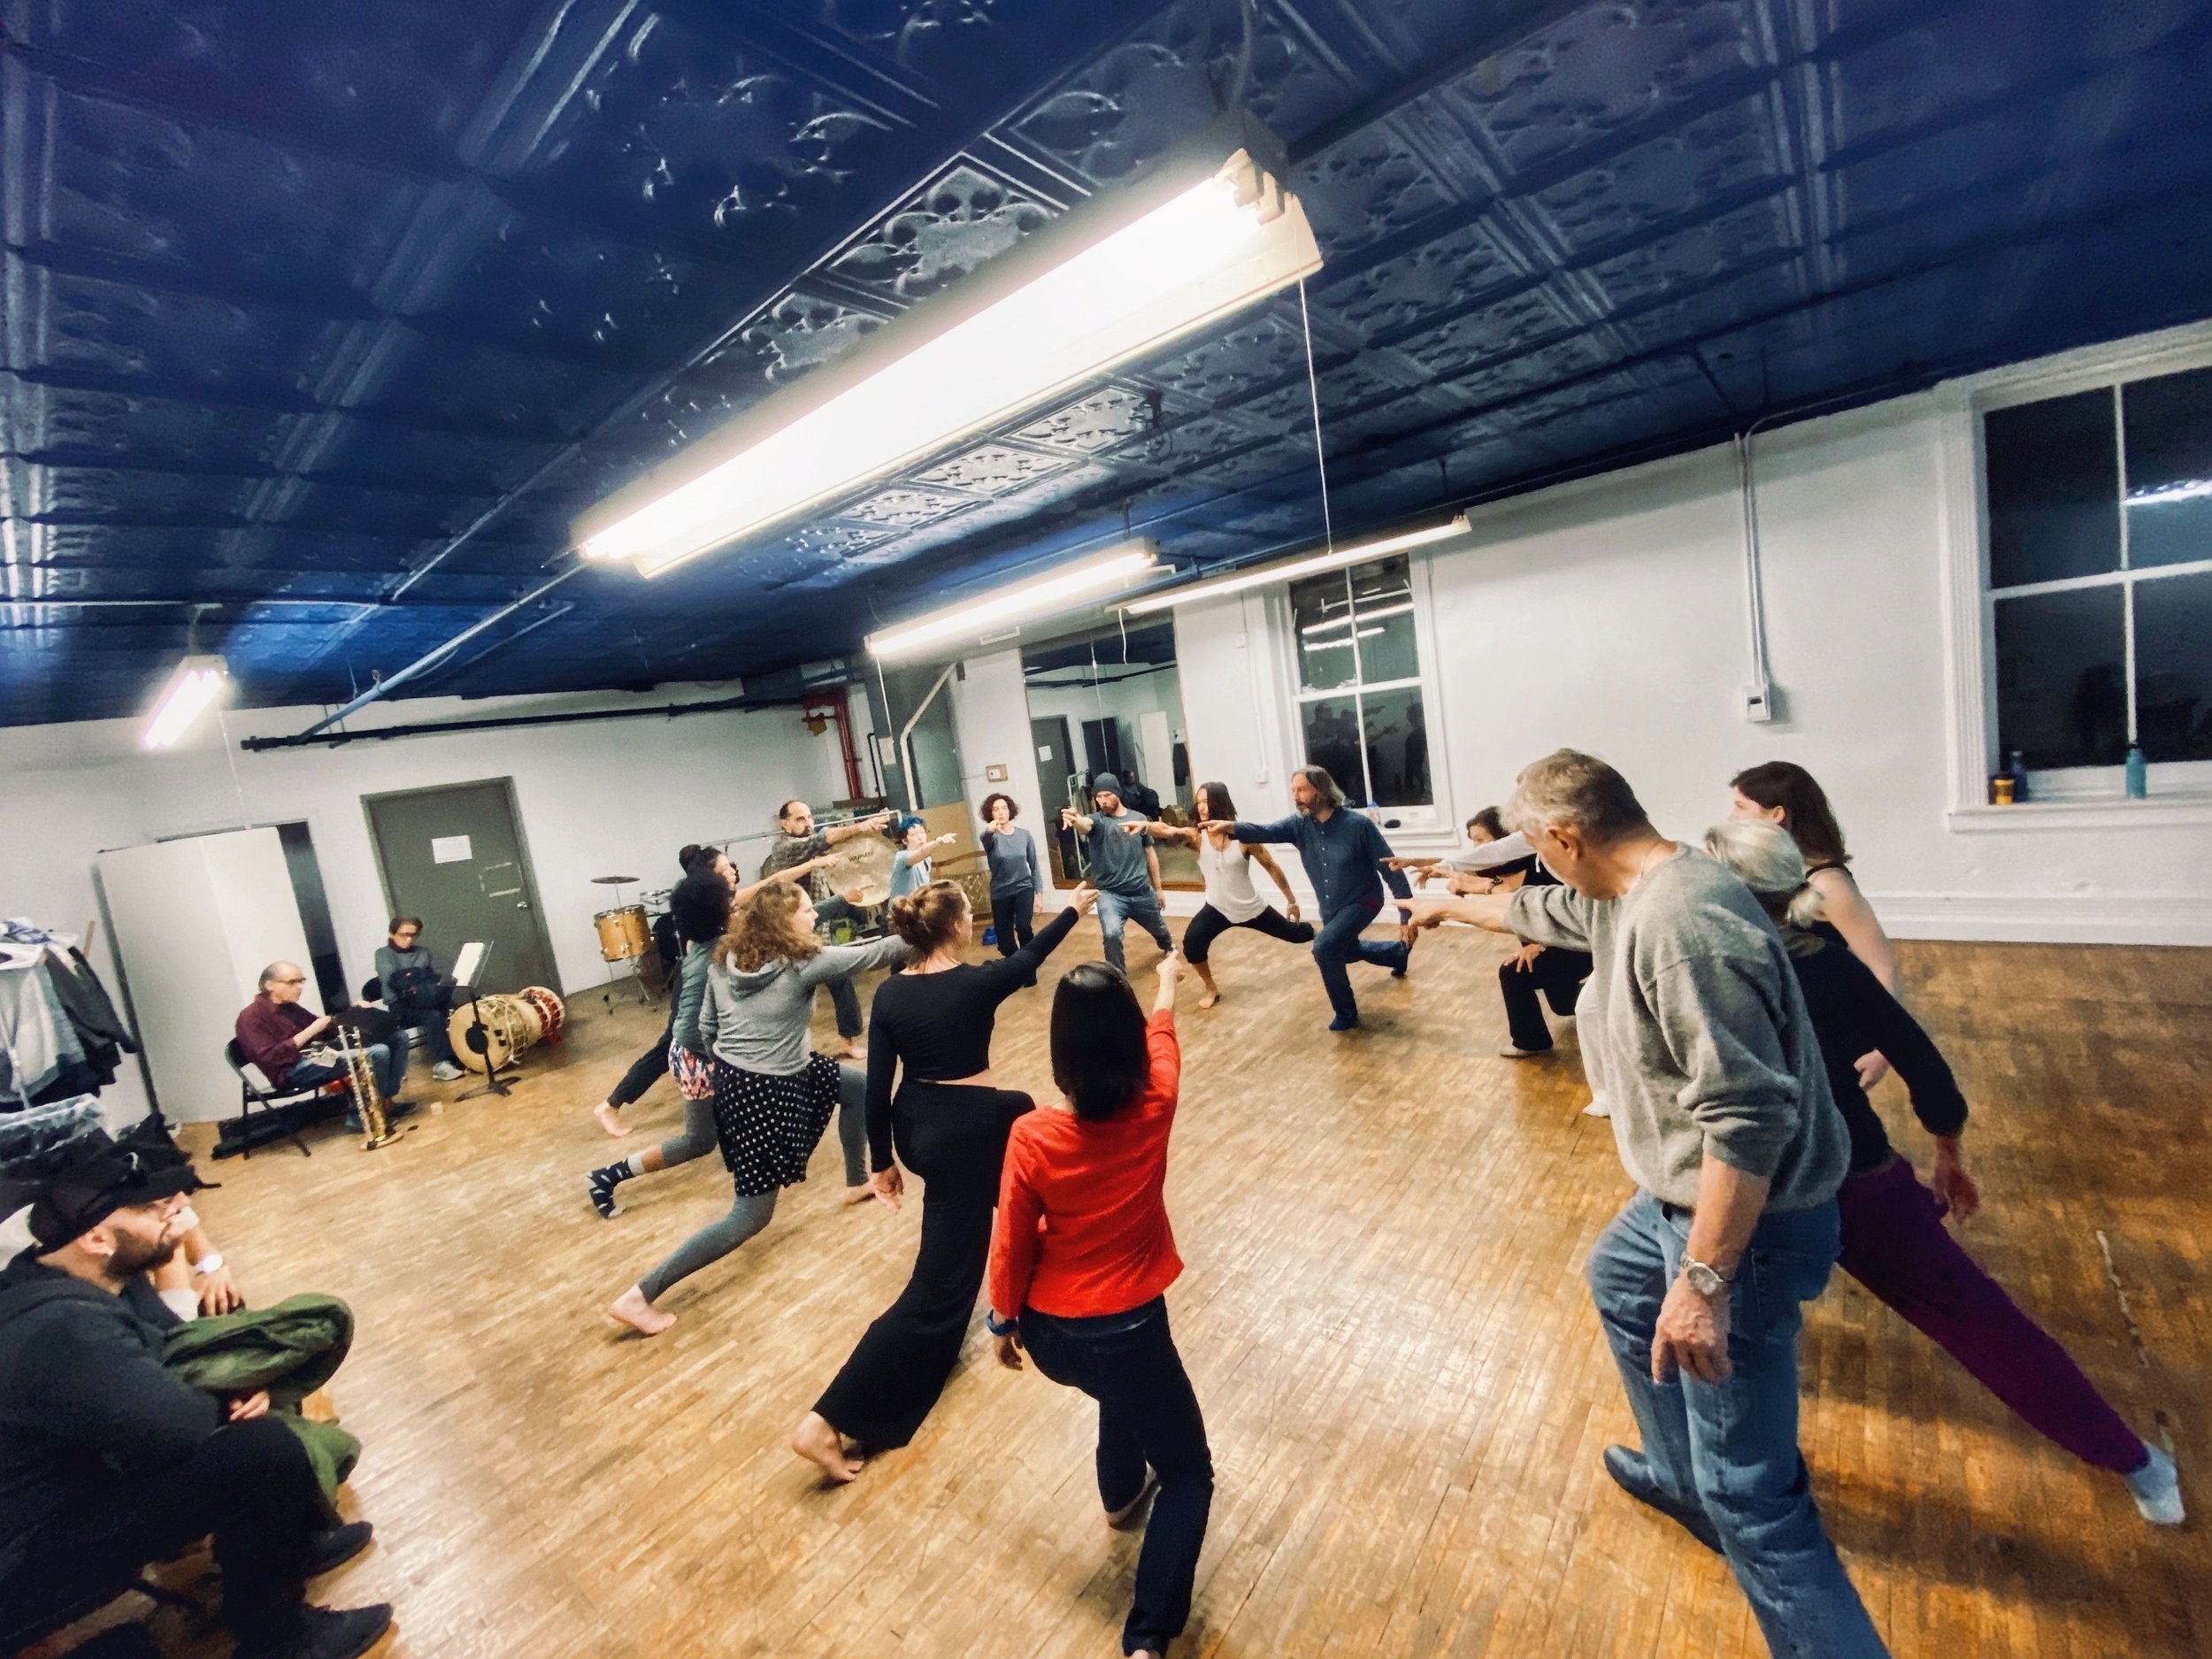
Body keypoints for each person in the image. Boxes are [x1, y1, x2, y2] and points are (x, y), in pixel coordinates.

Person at [1405, 749, 1885, 1659]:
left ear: (1565, 836)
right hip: (1672, 1203)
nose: (1538, 865)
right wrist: (1446, 900)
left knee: (1758, 1499)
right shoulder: (1642, 883)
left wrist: (1702, 1283)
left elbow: (1748, 1121)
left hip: (1746, 1223)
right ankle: (1679, 1478)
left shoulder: (1685, 928)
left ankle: (1736, 1519)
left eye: (1538, 848)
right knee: (1621, 1280)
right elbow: (1551, 907)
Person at [1701, 820, 2184, 1526]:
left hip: (1778, 1189)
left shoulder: (1721, 974)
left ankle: (1738, 1493)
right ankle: (2139, 1464)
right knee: (1981, 1321)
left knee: (1732, 1333)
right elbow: (1923, 1064)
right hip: (1837, 1180)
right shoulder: (1828, 964)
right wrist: (1947, 1152)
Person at [0, 1132, 391, 1659]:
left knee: (248, 1399)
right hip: (30, 1559)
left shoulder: (83, 1274)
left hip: (71, 1495)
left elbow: (174, 1349)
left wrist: (233, 1386)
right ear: (97, 1237)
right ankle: (280, 1640)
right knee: (259, 1452)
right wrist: (225, 1397)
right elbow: (177, 1426)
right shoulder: (63, 1328)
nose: (176, 1216)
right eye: (155, 1209)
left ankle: (291, 1548)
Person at [793, 880, 1097, 1483]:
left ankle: (1036, 1253)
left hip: (918, 1129)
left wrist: (882, 1161)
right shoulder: (975, 982)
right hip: (962, 1135)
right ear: (958, 925)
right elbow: (1028, 959)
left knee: (1017, 1111)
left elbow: (876, 1087)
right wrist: (1072, 908)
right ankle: (827, 1419)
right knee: (938, 1287)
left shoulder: (890, 995)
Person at [987, 955, 1209, 1659]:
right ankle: (1146, 1639)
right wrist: (1166, 988)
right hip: (1132, 1328)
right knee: (1188, 1472)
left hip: (1055, 1337)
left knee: (1123, 1388)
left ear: (1061, 1049)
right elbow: (1164, 1043)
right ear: (1130, 1035)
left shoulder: (1033, 1134)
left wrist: (1002, 1318)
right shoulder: (1158, 1101)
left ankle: (1118, 1496)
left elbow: (1012, 1237)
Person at [607, 883, 912, 1336]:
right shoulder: (803, 963)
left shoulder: (723, 961)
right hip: (768, 1090)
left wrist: (742, 1064)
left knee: (856, 1085)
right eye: (807, 911)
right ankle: (639, 1296)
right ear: (784, 923)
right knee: (750, 1216)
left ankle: (854, 1182)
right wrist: (934, 921)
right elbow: (877, 953)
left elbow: (707, 1029)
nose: (814, 916)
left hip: (739, 1079)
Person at [588, 845, 835, 1137]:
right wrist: (815, 863)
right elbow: (774, 881)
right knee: (672, 1044)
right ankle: (611, 1104)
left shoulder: (720, 904)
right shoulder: (721, 902)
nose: (731, 872)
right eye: (723, 869)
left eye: (730, 866)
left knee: (684, 1044)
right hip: (695, 983)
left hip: (704, 979)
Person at [1729, 762, 1901, 1087]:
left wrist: (1884, 1050)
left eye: (1741, 807)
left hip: (1832, 1040)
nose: (1731, 818)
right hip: (1795, 1035)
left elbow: (1883, 968)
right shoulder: (1776, 874)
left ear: (1776, 814)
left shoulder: (1830, 885)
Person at [1213, 765, 1415, 1033]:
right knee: (1345, 950)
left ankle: (1346, 1012)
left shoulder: (1359, 826)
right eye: (1293, 790)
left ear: (1321, 790)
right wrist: (1231, 827)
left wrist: (1407, 914)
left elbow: (1390, 868)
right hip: (1331, 904)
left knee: (1324, 947)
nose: (1296, 796)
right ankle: (1396, 954)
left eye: (1302, 790)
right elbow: (1267, 831)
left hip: (1364, 900)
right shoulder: (1299, 826)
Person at [586, 866, 736, 1219]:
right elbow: (691, 1031)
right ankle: (606, 1177)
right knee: (698, 1142)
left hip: (696, 1051)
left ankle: (742, 1158)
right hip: (696, 1055)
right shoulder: (716, 952)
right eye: (728, 902)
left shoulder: (702, 942)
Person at [1126, 781, 1311, 1009]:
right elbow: (1169, 831)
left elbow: (1272, 866)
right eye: (1199, 802)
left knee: (1298, 935)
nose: (1202, 807)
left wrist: (1291, 901)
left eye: (1207, 801)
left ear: (1220, 802)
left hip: (1252, 908)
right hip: (1218, 908)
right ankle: (1211, 988)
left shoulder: (1244, 837)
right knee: (1192, 944)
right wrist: (1145, 826)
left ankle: (1327, 940)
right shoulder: (1196, 837)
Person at [759, 800, 896, 1061]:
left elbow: (835, 852)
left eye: (809, 817)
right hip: (791, 934)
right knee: (788, 992)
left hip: (817, 929)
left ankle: (848, 1040)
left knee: (841, 980)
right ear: (784, 823)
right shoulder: (785, 850)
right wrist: (861, 826)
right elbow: (823, 839)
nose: (807, 822)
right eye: (800, 818)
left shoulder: (813, 852)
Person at [234, 964, 406, 1131]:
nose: (299, 987)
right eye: (292, 982)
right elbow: (269, 1058)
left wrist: (355, 1011)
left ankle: (385, 1101)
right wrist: (311, 1031)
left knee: (398, 1038)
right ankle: (362, 1116)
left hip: (317, 1055)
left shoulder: (290, 1007)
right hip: (290, 1071)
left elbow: (326, 1028)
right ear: (269, 985)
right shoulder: (250, 1018)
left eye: (301, 981)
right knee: (377, 1053)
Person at [1060, 774, 1172, 977]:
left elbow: (1150, 853)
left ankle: (1167, 946)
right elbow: (1085, 824)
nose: (1102, 801)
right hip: (1111, 895)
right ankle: (1117, 978)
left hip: (1141, 892)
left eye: (1107, 795)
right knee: (1111, 935)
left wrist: (1159, 889)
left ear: (1118, 794)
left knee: (1161, 931)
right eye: (1098, 796)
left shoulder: (1138, 819)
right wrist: (1076, 820)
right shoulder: (1098, 822)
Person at [373, 918, 465, 1082]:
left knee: (459, 1011)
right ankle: (444, 1062)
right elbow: (394, 980)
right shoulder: (383, 954)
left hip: (428, 998)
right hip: (400, 1005)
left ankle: (466, 1053)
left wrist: (416, 978)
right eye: (404, 935)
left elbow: (437, 976)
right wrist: (421, 977)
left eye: (413, 935)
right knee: (434, 1016)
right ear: (392, 934)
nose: (409, 939)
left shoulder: (423, 952)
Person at [977, 793, 1043, 964]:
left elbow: (1034, 865)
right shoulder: (990, 838)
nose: (1001, 813)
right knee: (1005, 945)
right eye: (996, 809)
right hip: (1000, 892)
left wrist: (1039, 894)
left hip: (1023, 888)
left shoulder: (1025, 835)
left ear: (1010, 811)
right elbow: (985, 839)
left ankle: (1029, 966)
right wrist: (990, 830)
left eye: (1004, 808)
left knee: (1023, 927)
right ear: (990, 814)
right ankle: (1017, 965)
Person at [887, 815, 956, 902]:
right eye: (913, 834)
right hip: (901, 911)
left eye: (922, 832)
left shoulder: (927, 859)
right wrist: (939, 841)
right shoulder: (901, 857)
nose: (920, 837)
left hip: (917, 909)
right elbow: (920, 853)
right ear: (904, 840)